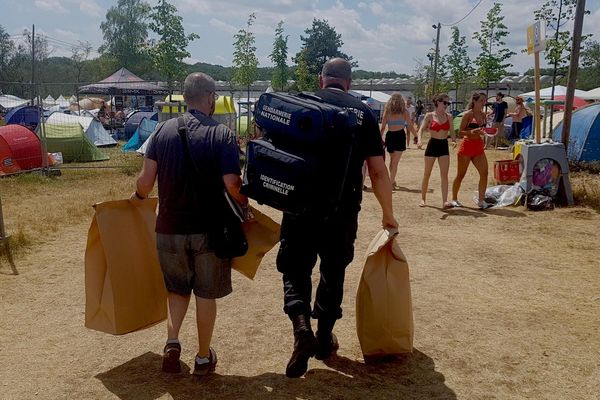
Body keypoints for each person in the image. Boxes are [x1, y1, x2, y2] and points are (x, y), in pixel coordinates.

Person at [276, 58, 398, 378]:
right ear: (349, 82)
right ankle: (324, 337)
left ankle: (302, 330)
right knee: (333, 270)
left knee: (295, 268)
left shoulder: (301, 104)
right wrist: (388, 215)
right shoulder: (363, 114)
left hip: (299, 205)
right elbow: (377, 170)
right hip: (342, 210)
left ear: (321, 80)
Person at [130, 72, 248, 377]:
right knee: (205, 294)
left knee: (177, 290)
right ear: (210, 98)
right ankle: (202, 357)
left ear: (184, 97)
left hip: (168, 229)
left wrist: (136, 197)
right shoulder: (221, 134)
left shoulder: (160, 131)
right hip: (209, 231)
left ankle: (172, 343)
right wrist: (246, 205)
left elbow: (145, 183)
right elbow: (233, 183)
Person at [451, 92, 492, 210]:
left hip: (478, 147)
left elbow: (483, 129)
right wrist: (471, 132)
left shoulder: (484, 115)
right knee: (461, 175)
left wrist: (487, 132)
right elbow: (460, 132)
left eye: (485, 101)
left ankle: (481, 200)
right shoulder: (468, 115)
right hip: (467, 146)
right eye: (481, 101)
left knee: (484, 173)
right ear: (474, 101)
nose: (483, 103)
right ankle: (454, 199)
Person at [417, 93, 456, 208]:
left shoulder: (449, 116)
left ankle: (445, 201)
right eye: (445, 103)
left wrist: (454, 141)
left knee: (444, 175)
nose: (446, 105)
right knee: (427, 174)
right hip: (432, 145)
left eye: (448, 103)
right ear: (438, 102)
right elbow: (421, 130)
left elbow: (452, 132)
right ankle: (423, 199)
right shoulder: (429, 115)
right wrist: (419, 140)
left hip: (443, 145)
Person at [380, 92, 415, 190]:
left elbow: (383, 128)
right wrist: (416, 136)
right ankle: (390, 182)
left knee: (392, 161)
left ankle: (392, 180)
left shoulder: (387, 111)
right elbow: (410, 126)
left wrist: (379, 138)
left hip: (390, 136)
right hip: (400, 136)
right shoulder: (405, 112)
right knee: (394, 162)